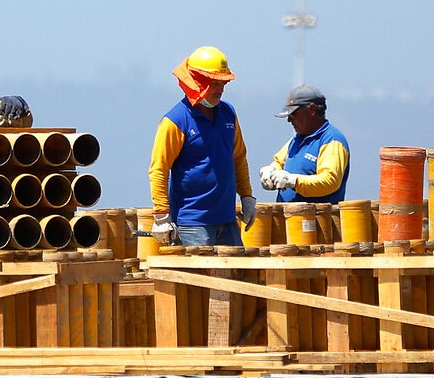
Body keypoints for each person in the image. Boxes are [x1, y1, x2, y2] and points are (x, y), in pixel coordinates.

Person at [148, 46, 256, 246]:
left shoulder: (228, 114)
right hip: (193, 224)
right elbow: (159, 169)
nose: (220, 89)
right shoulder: (176, 121)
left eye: (223, 83)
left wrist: (247, 196)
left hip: (227, 220)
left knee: (235, 276)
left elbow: (238, 157)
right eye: (214, 83)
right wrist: (161, 215)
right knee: (201, 276)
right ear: (197, 82)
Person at [260, 84, 350, 203]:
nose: (289, 120)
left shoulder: (331, 140)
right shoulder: (297, 139)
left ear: (312, 110)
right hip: (289, 217)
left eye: (294, 114)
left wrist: (294, 182)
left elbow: (330, 181)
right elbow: (280, 162)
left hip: (316, 219)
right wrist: (271, 171)